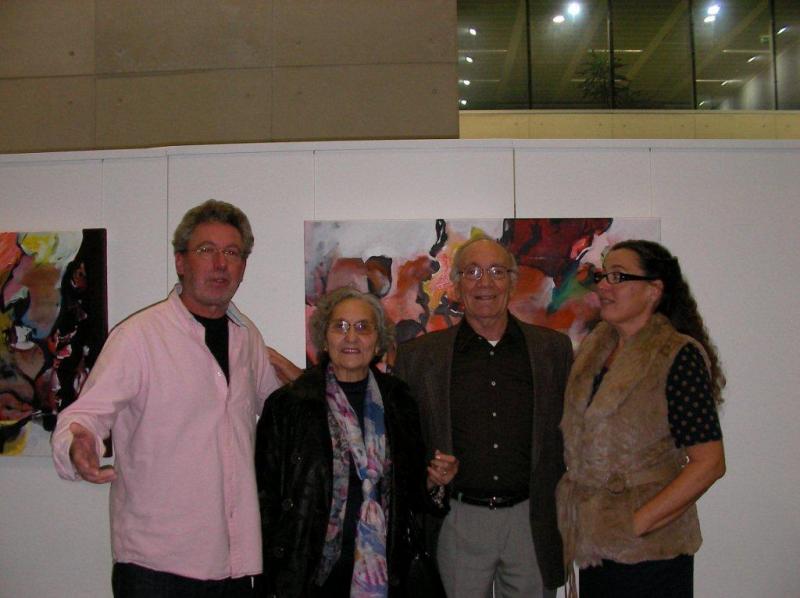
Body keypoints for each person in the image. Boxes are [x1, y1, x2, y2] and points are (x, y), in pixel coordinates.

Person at [52, 199, 301, 597]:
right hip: (157, 568)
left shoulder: (247, 338)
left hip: (236, 565)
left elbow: (282, 417)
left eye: (232, 253)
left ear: (243, 267)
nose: (220, 264)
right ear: (181, 261)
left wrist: (305, 385)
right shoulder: (139, 338)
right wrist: (78, 443)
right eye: (206, 250)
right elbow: (86, 416)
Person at [393, 235, 574, 598]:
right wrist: (427, 473)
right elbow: (400, 442)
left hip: (531, 518)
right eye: (472, 272)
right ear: (456, 284)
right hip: (456, 518)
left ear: (512, 281)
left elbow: (572, 433)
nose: (485, 283)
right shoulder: (419, 357)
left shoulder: (552, 349)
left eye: (496, 271)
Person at [255, 287, 457, 597]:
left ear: (377, 341)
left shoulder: (399, 401)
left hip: (386, 570)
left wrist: (434, 481)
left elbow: (411, 492)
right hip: (310, 574)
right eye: (340, 326)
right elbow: (264, 497)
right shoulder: (289, 405)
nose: (351, 337)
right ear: (325, 338)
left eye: (363, 327)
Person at [557, 239, 726, 597]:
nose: (603, 286)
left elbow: (709, 464)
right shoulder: (594, 351)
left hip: (652, 551)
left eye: (618, 276)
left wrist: (633, 525)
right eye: (603, 275)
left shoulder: (676, 355)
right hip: (595, 547)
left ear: (653, 290)